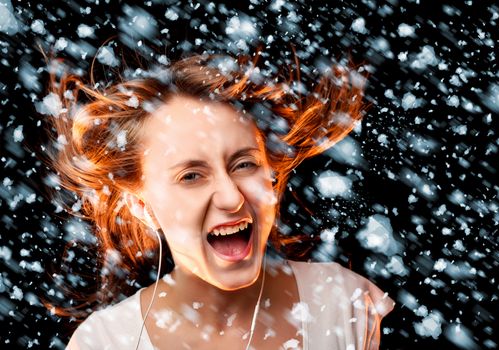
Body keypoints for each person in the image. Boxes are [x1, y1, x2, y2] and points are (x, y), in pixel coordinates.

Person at [45, 52, 394, 349]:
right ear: (141, 205)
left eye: (244, 164)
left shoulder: (344, 303)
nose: (230, 197)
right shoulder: (105, 342)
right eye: (191, 176)